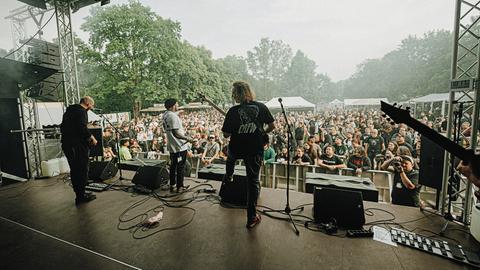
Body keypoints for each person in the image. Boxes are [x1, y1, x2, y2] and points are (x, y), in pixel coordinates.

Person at [222, 81, 275, 229]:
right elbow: (272, 125)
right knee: (252, 182)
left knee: (230, 155)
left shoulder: (233, 111)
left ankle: (229, 175)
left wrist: (235, 129)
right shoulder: (261, 107)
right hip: (254, 149)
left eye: (234, 94)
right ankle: (251, 217)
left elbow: (226, 134)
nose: (233, 96)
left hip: (237, 148)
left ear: (237, 94)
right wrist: (261, 132)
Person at [60, 96, 98, 205]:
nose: (91, 107)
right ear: (87, 103)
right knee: (81, 170)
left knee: (75, 170)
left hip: (67, 145)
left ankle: (79, 194)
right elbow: (81, 128)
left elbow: (66, 127)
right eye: (91, 105)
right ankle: (81, 196)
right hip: (77, 146)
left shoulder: (69, 111)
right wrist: (91, 137)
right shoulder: (81, 112)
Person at [162, 98, 194, 193]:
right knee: (181, 167)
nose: (178, 105)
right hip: (179, 146)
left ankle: (172, 185)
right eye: (177, 104)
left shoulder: (166, 114)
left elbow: (171, 116)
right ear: (173, 106)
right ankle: (180, 187)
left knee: (173, 166)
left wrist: (178, 112)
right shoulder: (173, 117)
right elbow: (176, 133)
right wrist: (187, 138)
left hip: (172, 146)